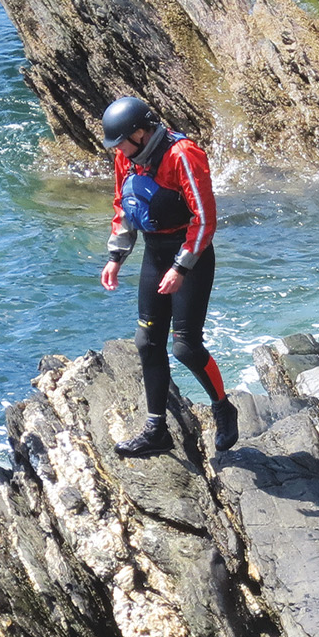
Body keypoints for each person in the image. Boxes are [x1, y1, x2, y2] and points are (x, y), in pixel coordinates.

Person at [98, 96, 239, 456]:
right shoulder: (126, 158)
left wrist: (181, 266)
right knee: (147, 342)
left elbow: (205, 219)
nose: (119, 152)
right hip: (154, 253)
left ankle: (223, 407)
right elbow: (124, 207)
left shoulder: (183, 155)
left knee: (185, 347)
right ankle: (156, 430)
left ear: (141, 134)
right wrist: (116, 256)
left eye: (122, 143)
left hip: (189, 255)